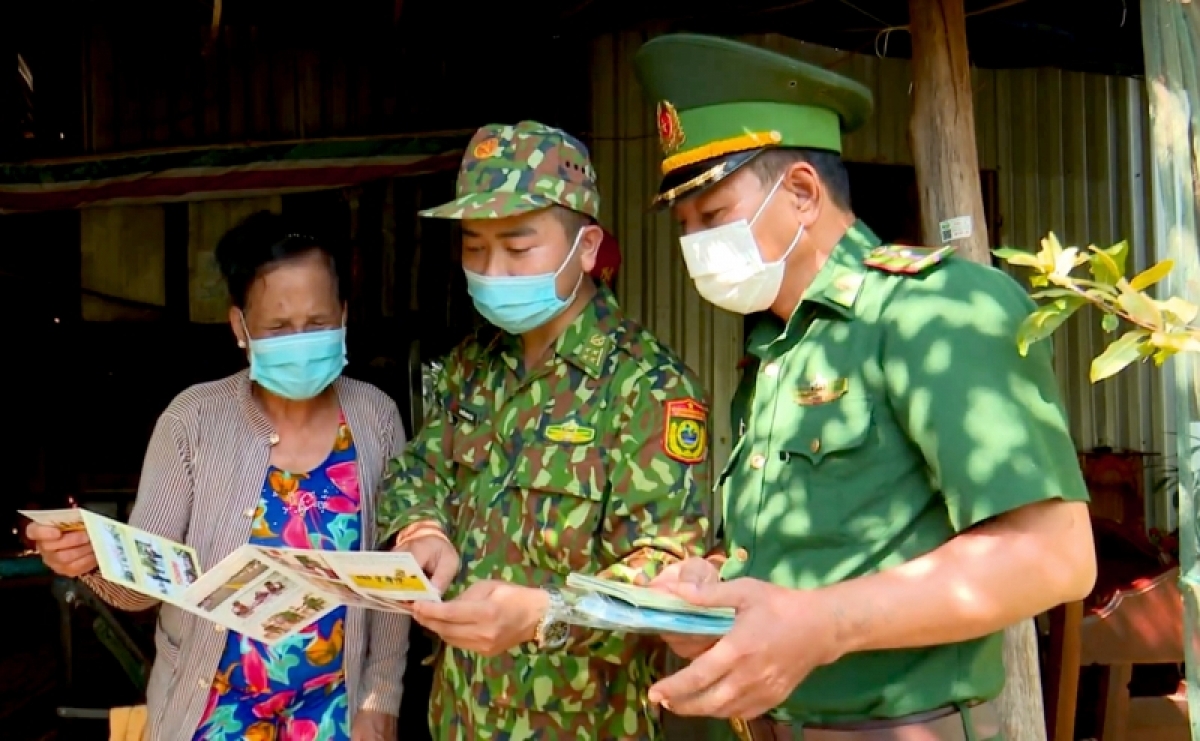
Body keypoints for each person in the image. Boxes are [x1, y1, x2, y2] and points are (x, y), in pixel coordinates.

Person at [631, 34, 1097, 740]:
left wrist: (821, 624)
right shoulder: (776, 344)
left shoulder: (935, 310)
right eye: (684, 224)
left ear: (801, 192)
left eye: (714, 214)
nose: (693, 242)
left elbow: (1055, 554)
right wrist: (713, 589)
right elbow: (832, 546)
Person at [374, 120, 713, 740]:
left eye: (519, 248)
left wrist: (545, 613)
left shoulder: (646, 386)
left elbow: (666, 570)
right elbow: (416, 468)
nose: (493, 270)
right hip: (459, 715)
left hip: (583, 722)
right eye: (475, 248)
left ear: (586, 249)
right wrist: (421, 528)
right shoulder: (470, 366)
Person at [27, 211, 410, 741]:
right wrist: (96, 558)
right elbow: (144, 588)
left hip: (334, 711)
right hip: (211, 709)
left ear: (344, 316)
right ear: (240, 327)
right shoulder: (192, 421)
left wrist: (379, 699)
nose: (300, 339)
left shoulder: (376, 417)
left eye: (318, 323)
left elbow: (396, 580)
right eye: (278, 327)